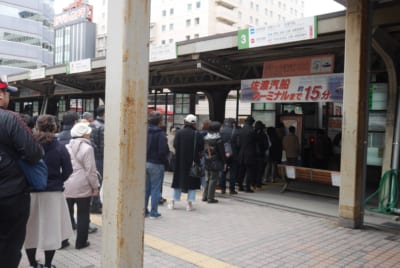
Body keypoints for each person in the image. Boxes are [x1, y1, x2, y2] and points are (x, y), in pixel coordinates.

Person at [0, 79, 43, 268]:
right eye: (7, 93)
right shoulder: (9, 118)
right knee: (9, 245)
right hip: (10, 195)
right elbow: (34, 153)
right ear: (1, 95)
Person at [24, 115, 74, 268]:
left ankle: (33, 264)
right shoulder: (60, 147)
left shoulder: (28, 145)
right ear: (55, 128)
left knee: (30, 228)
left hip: (30, 192)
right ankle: (48, 264)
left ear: (36, 128)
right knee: (51, 229)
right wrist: (57, 180)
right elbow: (68, 170)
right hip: (52, 193)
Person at [64, 123, 100, 249]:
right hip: (83, 186)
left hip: (67, 184)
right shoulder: (87, 148)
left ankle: (63, 241)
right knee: (83, 214)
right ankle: (81, 243)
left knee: (66, 214)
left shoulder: (66, 147)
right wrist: (95, 187)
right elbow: (91, 170)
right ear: (84, 134)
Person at [168, 114, 203, 211]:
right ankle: (189, 204)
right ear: (194, 123)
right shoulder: (197, 134)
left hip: (180, 161)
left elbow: (175, 145)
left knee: (178, 180)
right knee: (192, 182)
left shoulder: (179, 133)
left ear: (185, 122)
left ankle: (173, 203)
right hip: (193, 161)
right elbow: (201, 148)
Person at [145, 111, 169, 219]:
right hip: (156, 164)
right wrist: (164, 162)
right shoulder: (160, 134)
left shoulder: (144, 131)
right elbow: (163, 151)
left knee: (146, 188)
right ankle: (153, 212)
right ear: (159, 122)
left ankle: (143, 210)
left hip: (145, 162)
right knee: (155, 188)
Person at [202, 121, 226, 203]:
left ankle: (205, 196)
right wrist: (225, 161)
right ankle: (210, 198)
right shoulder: (218, 139)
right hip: (215, 161)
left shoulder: (206, 137)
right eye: (220, 127)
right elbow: (222, 152)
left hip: (207, 159)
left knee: (208, 179)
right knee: (213, 179)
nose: (221, 128)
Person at [89, 105, 105, 214]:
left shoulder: (91, 124)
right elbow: (104, 145)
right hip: (100, 158)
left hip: (92, 156)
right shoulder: (103, 126)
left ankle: (94, 202)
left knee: (94, 181)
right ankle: (96, 204)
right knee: (99, 181)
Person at [236, 116, 257, 192]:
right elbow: (255, 143)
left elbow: (238, 143)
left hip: (241, 153)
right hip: (250, 153)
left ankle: (240, 186)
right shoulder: (252, 131)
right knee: (249, 171)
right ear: (252, 122)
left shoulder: (240, 130)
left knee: (241, 171)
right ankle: (247, 187)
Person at [219, 118, 238, 194]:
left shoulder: (221, 131)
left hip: (224, 154)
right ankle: (231, 189)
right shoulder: (235, 131)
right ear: (233, 124)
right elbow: (238, 144)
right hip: (234, 154)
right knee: (233, 172)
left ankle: (223, 189)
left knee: (223, 171)